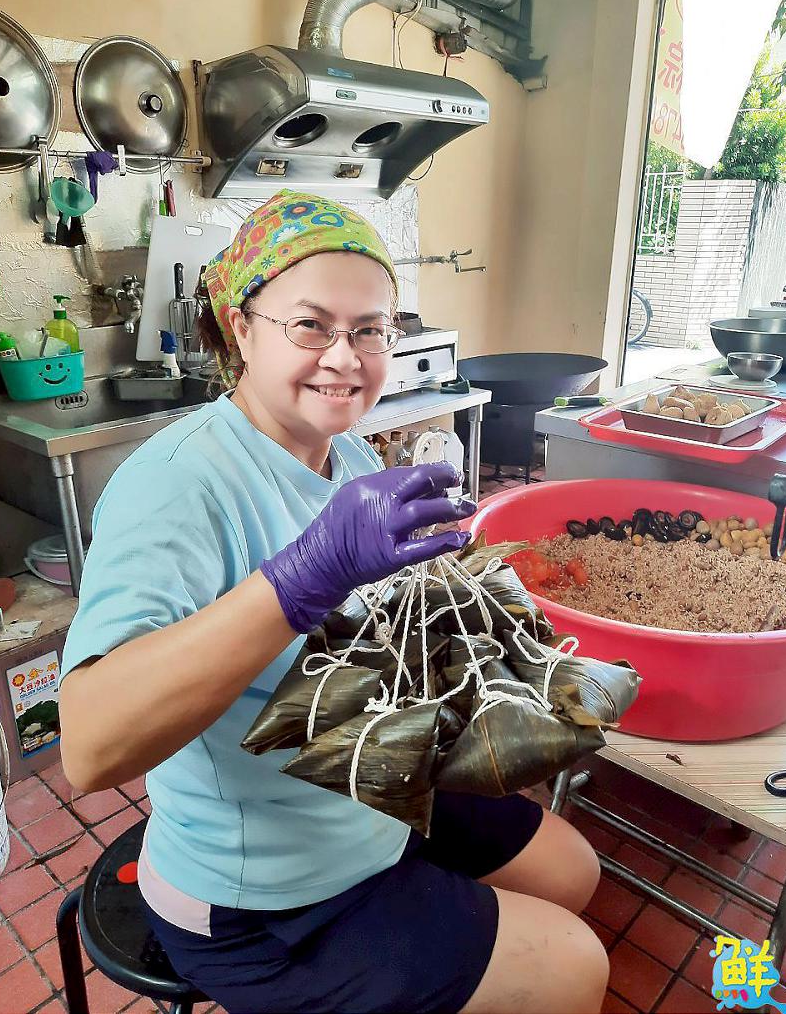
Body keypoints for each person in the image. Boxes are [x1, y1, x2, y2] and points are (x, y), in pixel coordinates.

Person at [59, 191, 608, 1014]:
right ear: (240, 327)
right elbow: (89, 750)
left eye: (372, 329)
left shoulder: (348, 458)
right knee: (572, 964)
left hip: (366, 793)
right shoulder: (177, 484)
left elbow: (369, 654)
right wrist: (301, 579)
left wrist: (474, 624)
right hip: (262, 892)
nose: (346, 357)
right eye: (311, 325)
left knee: (574, 872)